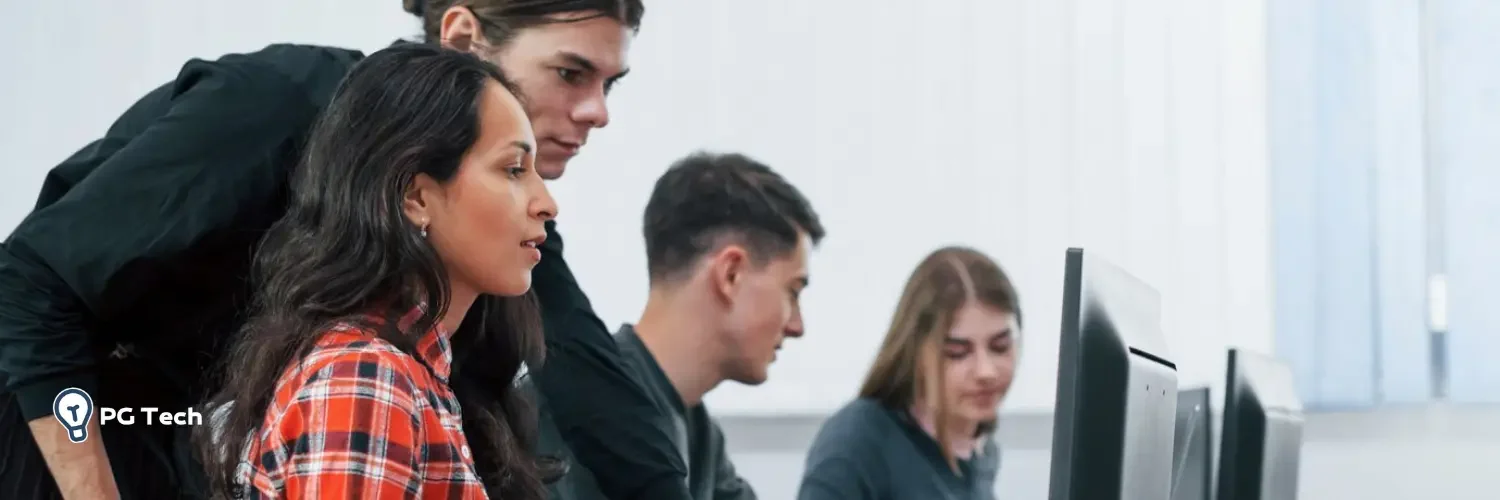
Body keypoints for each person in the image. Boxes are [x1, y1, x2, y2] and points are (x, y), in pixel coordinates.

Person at [0, 1, 693, 499]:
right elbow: (31, 283)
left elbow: (595, 395)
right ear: (462, 34)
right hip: (58, 414)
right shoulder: (273, 108)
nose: (599, 111)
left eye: (609, 83)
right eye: (571, 74)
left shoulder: (489, 237)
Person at [206, 44, 555, 499]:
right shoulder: (366, 376)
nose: (547, 203)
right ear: (416, 198)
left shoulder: (406, 371)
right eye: (513, 169)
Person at [537, 152, 826, 500]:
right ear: (730, 274)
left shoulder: (700, 436)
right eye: (792, 291)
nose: (798, 326)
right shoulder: (582, 411)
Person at [797, 247, 1021, 500]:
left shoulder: (980, 447)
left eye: (1000, 346)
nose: (986, 371)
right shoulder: (857, 443)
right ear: (915, 353)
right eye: (957, 352)